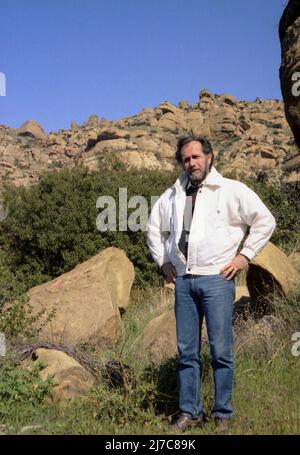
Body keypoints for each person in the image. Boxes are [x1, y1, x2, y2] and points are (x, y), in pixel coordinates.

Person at [147, 136, 276, 432]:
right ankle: (190, 413)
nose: (191, 163)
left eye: (196, 157)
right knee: (187, 352)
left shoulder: (231, 189)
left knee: (221, 351)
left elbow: (264, 220)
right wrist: (163, 262)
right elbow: (154, 228)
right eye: (186, 159)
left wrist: (244, 257)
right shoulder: (173, 194)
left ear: (209, 157)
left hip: (217, 280)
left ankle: (223, 415)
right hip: (184, 282)